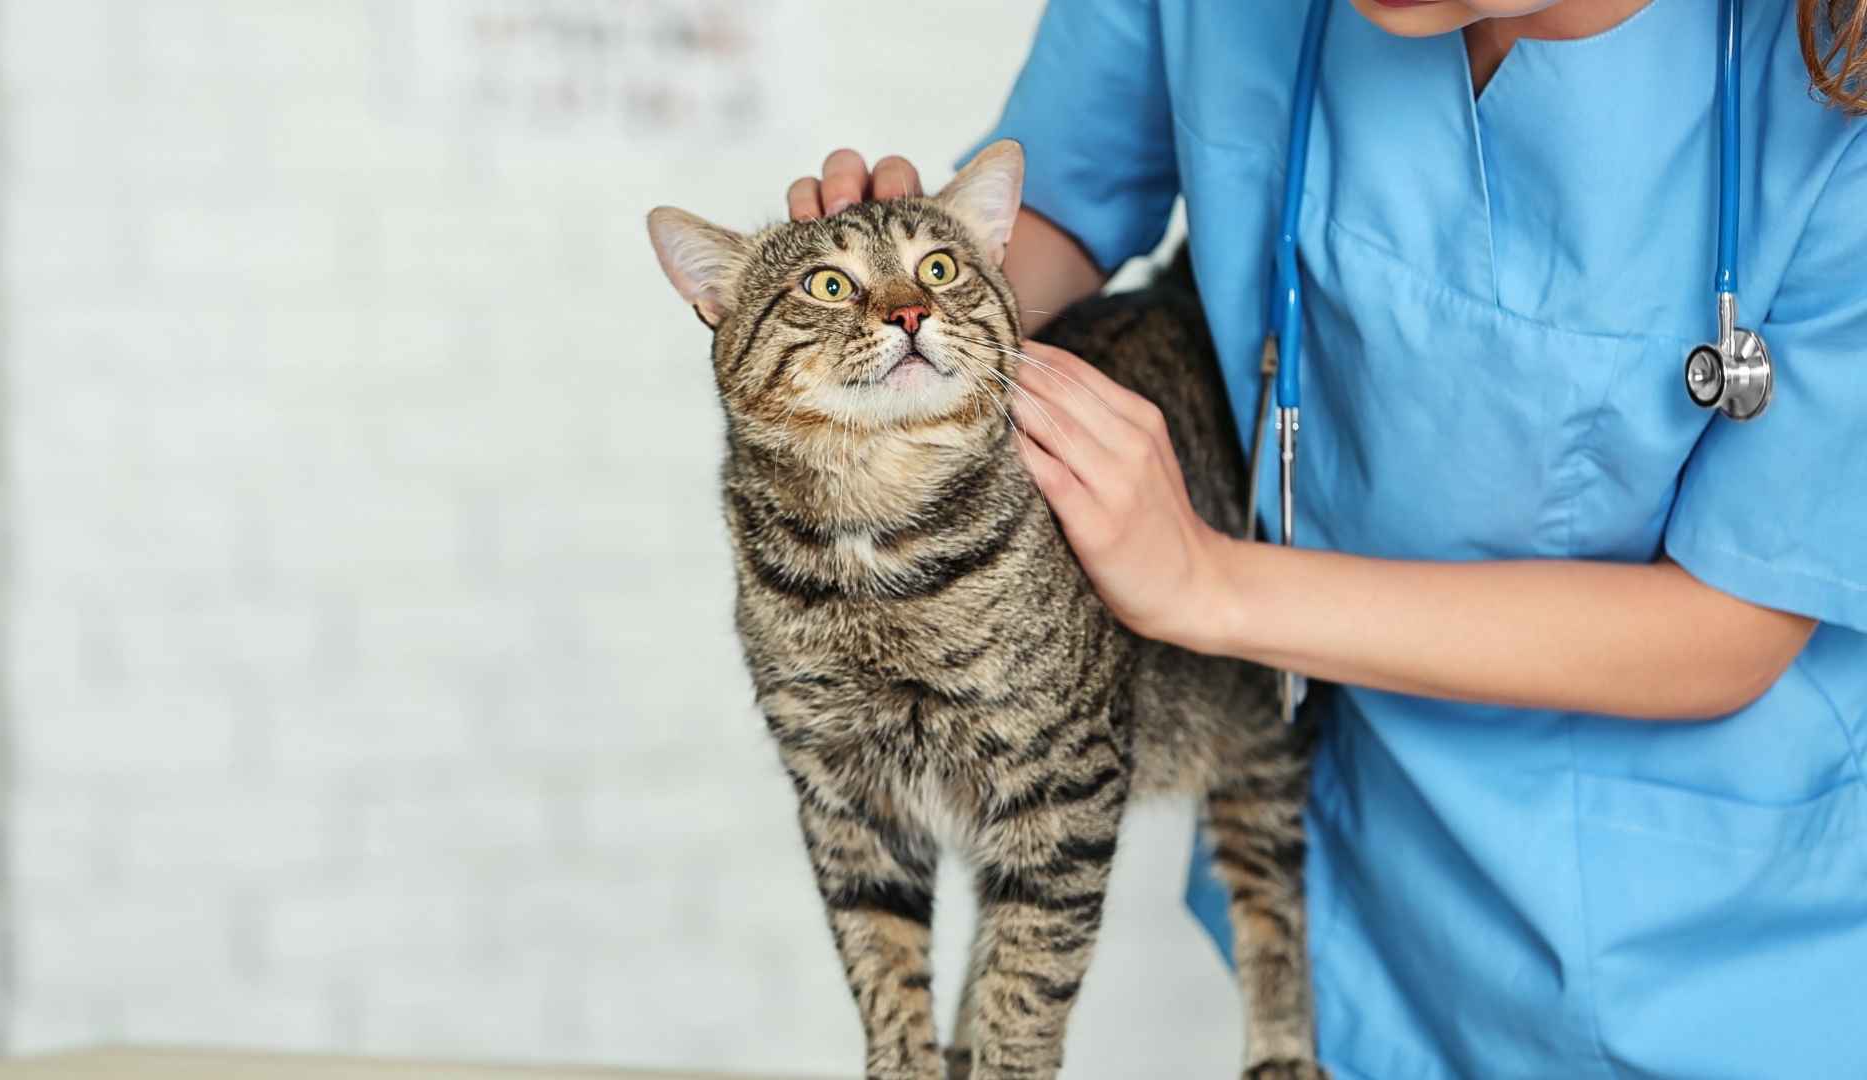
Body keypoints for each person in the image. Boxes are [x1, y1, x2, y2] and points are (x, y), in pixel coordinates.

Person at [783, 0, 1867, 1076]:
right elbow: (1053, 204)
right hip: (1350, 890)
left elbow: (1730, 623)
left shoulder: (1836, 92)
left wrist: (1209, 586)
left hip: (1717, 954)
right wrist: (886, 304)